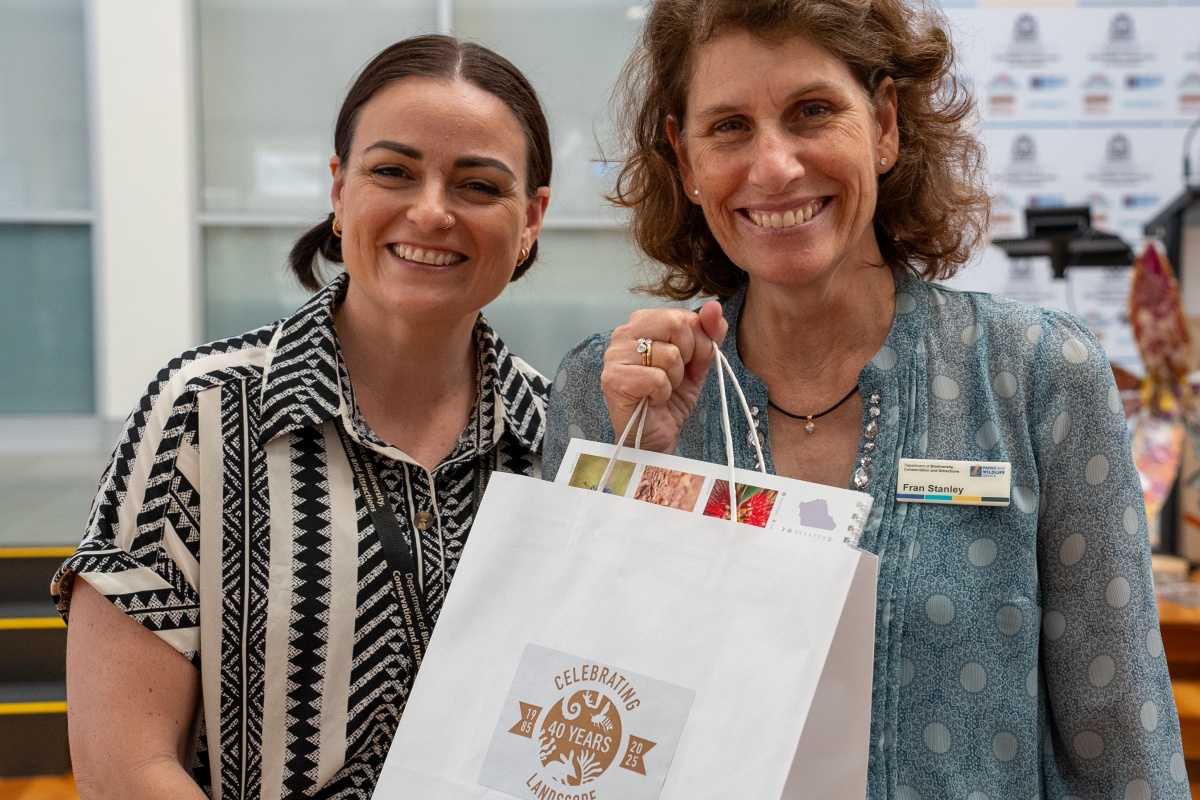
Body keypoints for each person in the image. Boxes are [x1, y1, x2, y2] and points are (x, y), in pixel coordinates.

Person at [545, 1, 1189, 797]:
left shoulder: (1036, 377)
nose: (774, 166)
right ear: (685, 160)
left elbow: (1124, 752)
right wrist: (633, 476)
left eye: (811, 112)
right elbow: (562, 724)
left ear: (884, 125)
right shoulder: (607, 399)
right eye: (730, 127)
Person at [55, 35, 552, 798]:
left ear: (532, 219)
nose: (431, 211)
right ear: (339, 187)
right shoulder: (204, 413)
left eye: (479, 186)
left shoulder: (554, 436)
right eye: (393, 171)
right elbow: (124, 768)